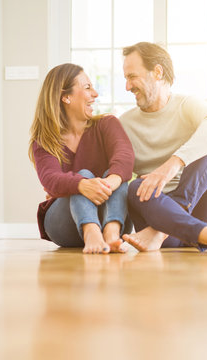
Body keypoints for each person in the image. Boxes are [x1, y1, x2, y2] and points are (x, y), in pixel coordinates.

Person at [120, 42, 207, 254]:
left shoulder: (186, 105)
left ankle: (167, 226)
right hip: (158, 214)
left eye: (132, 77)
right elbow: (115, 174)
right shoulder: (125, 124)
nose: (127, 87)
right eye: (125, 79)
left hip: (197, 214)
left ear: (157, 72)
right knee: (135, 187)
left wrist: (174, 163)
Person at [29, 63, 134, 254]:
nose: (95, 94)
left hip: (114, 216)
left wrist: (107, 183)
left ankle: (111, 233)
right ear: (66, 97)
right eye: (87, 88)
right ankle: (91, 232)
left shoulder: (107, 124)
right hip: (63, 224)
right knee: (82, 176)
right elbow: (50, 178)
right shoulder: (45, 140)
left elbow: (125, 157)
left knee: (118, 176)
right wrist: (82, 184)